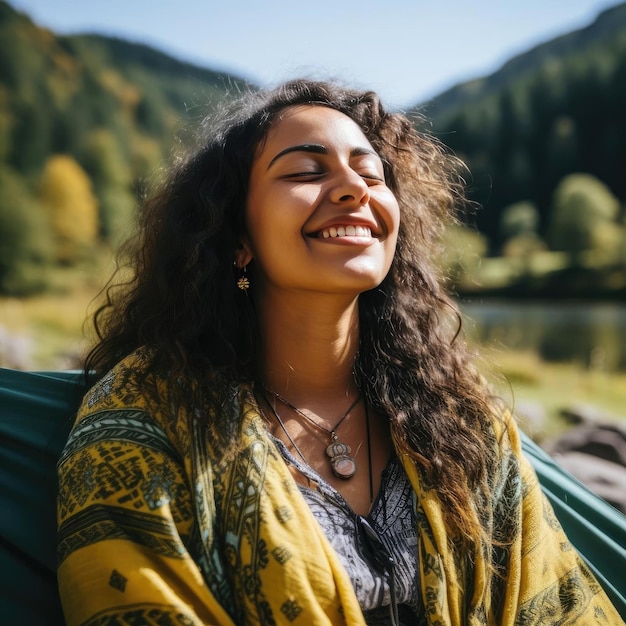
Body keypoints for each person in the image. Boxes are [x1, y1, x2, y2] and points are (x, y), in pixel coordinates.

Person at [56, 79, 623, 625]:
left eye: (372, 174)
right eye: (305, 171)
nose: (355, 188)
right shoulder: (142, 420)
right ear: (236, 237)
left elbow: (558, 604)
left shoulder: (462, 419)